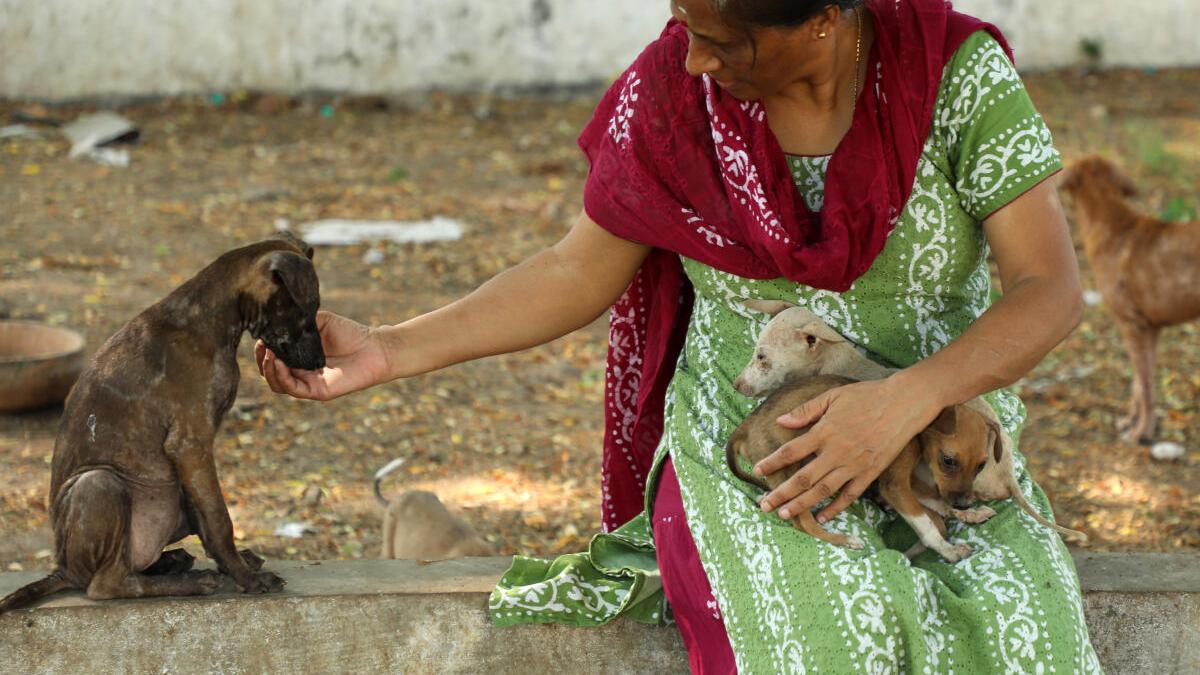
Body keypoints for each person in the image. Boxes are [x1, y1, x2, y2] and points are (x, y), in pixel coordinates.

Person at [258, 0, 1102, 672]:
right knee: (819, 631)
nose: (694, 58)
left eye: (721, 39)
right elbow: (572, 270)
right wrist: (392, 347)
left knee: (1017, 628)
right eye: (685, 26)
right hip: (750, 459)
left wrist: (900, 404)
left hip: (947, 443)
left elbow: (1050, 289)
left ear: (822, 20)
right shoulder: (673, 93)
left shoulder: (953, 76)